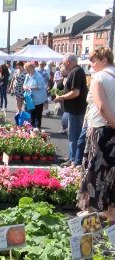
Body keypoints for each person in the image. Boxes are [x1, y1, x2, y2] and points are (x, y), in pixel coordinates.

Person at [77, 47, 115, 222]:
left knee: (94, 171)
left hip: (101, 129)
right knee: (112, 172)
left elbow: (102, 107)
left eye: (94, 61)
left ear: (104, 60)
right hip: (111, 129)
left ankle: (91, 213)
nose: (91, 65)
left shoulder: (98, 78)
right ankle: (111, 213)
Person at [54, 53, 88, 167]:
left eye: (64, 62)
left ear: (69, 62)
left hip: (76, 109)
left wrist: (61, 97)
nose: (63, 65)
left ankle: (73, 160)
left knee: (74, 136)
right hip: (74, 109)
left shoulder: (76, 72)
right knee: (72, 135)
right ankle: (71, 157)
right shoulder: (75, 71)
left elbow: (75, 92)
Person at [23, 63, 48, 128]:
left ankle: (37, 128)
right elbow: (24, 84)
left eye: (28, 70)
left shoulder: (38, 76)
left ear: (32, 68)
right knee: (31, 114)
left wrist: (31, 87)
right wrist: (25, 87)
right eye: (26, 70)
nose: (27, 71)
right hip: (30, 97)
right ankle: (31, 128)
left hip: (38, 98)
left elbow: (42, 86)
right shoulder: (27, 75)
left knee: (37, 114)